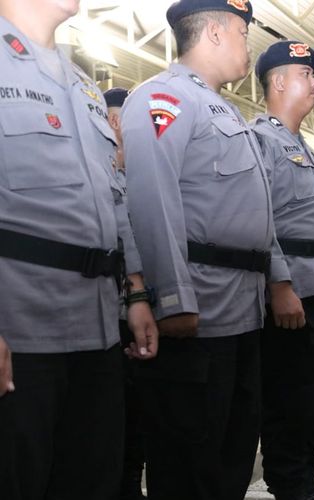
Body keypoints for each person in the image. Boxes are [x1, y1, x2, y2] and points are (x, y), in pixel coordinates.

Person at [0, 1, 158, 499]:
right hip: (21, 332)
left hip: (97, 335)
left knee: (93, 478)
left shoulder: (83, 84)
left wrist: (135, 294)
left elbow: (113, 197)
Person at [121, 2, 270, 499]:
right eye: (243, 33)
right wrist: (171, 299)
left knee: (231, 456)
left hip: (241, 311)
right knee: (190, 462)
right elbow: (151, 201)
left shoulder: (225, 109)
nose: (248, 46)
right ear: (213, 32)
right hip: (200, 312)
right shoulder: (163, 98)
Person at [249, 40, 314, 500]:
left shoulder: (303, 149)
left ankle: (306, 482)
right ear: (279, 82)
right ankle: (293, 488)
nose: (313, 84)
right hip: (294, 293)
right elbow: (258, 218)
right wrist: (279, 283)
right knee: (290, 401)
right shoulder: (260, 141)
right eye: (305, 75)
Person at [103, 86, 148, 500]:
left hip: (145, 319)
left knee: (140, 425)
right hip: (114, 322)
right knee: (114, 425)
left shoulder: (144, 177)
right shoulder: (102, 176)